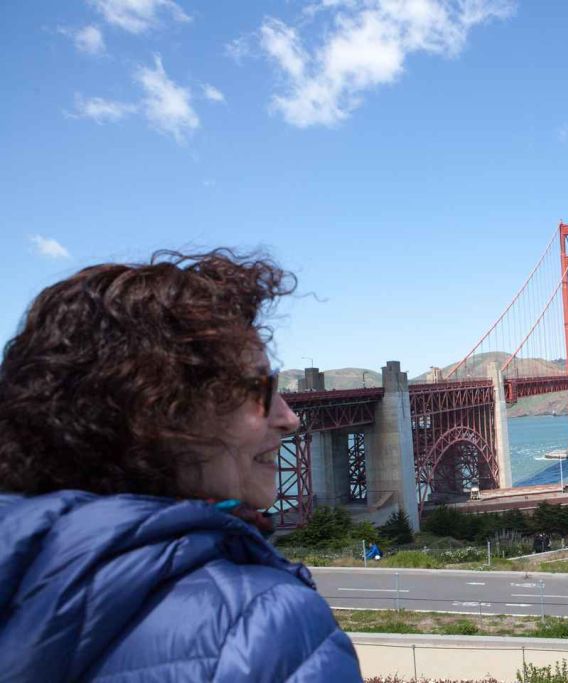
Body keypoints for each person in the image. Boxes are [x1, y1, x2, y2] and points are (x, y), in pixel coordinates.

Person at [0, 250, 361, 681]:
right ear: (156, 411)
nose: (289, 418)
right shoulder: (265, 628)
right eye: (258, 390)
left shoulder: (19, 564)